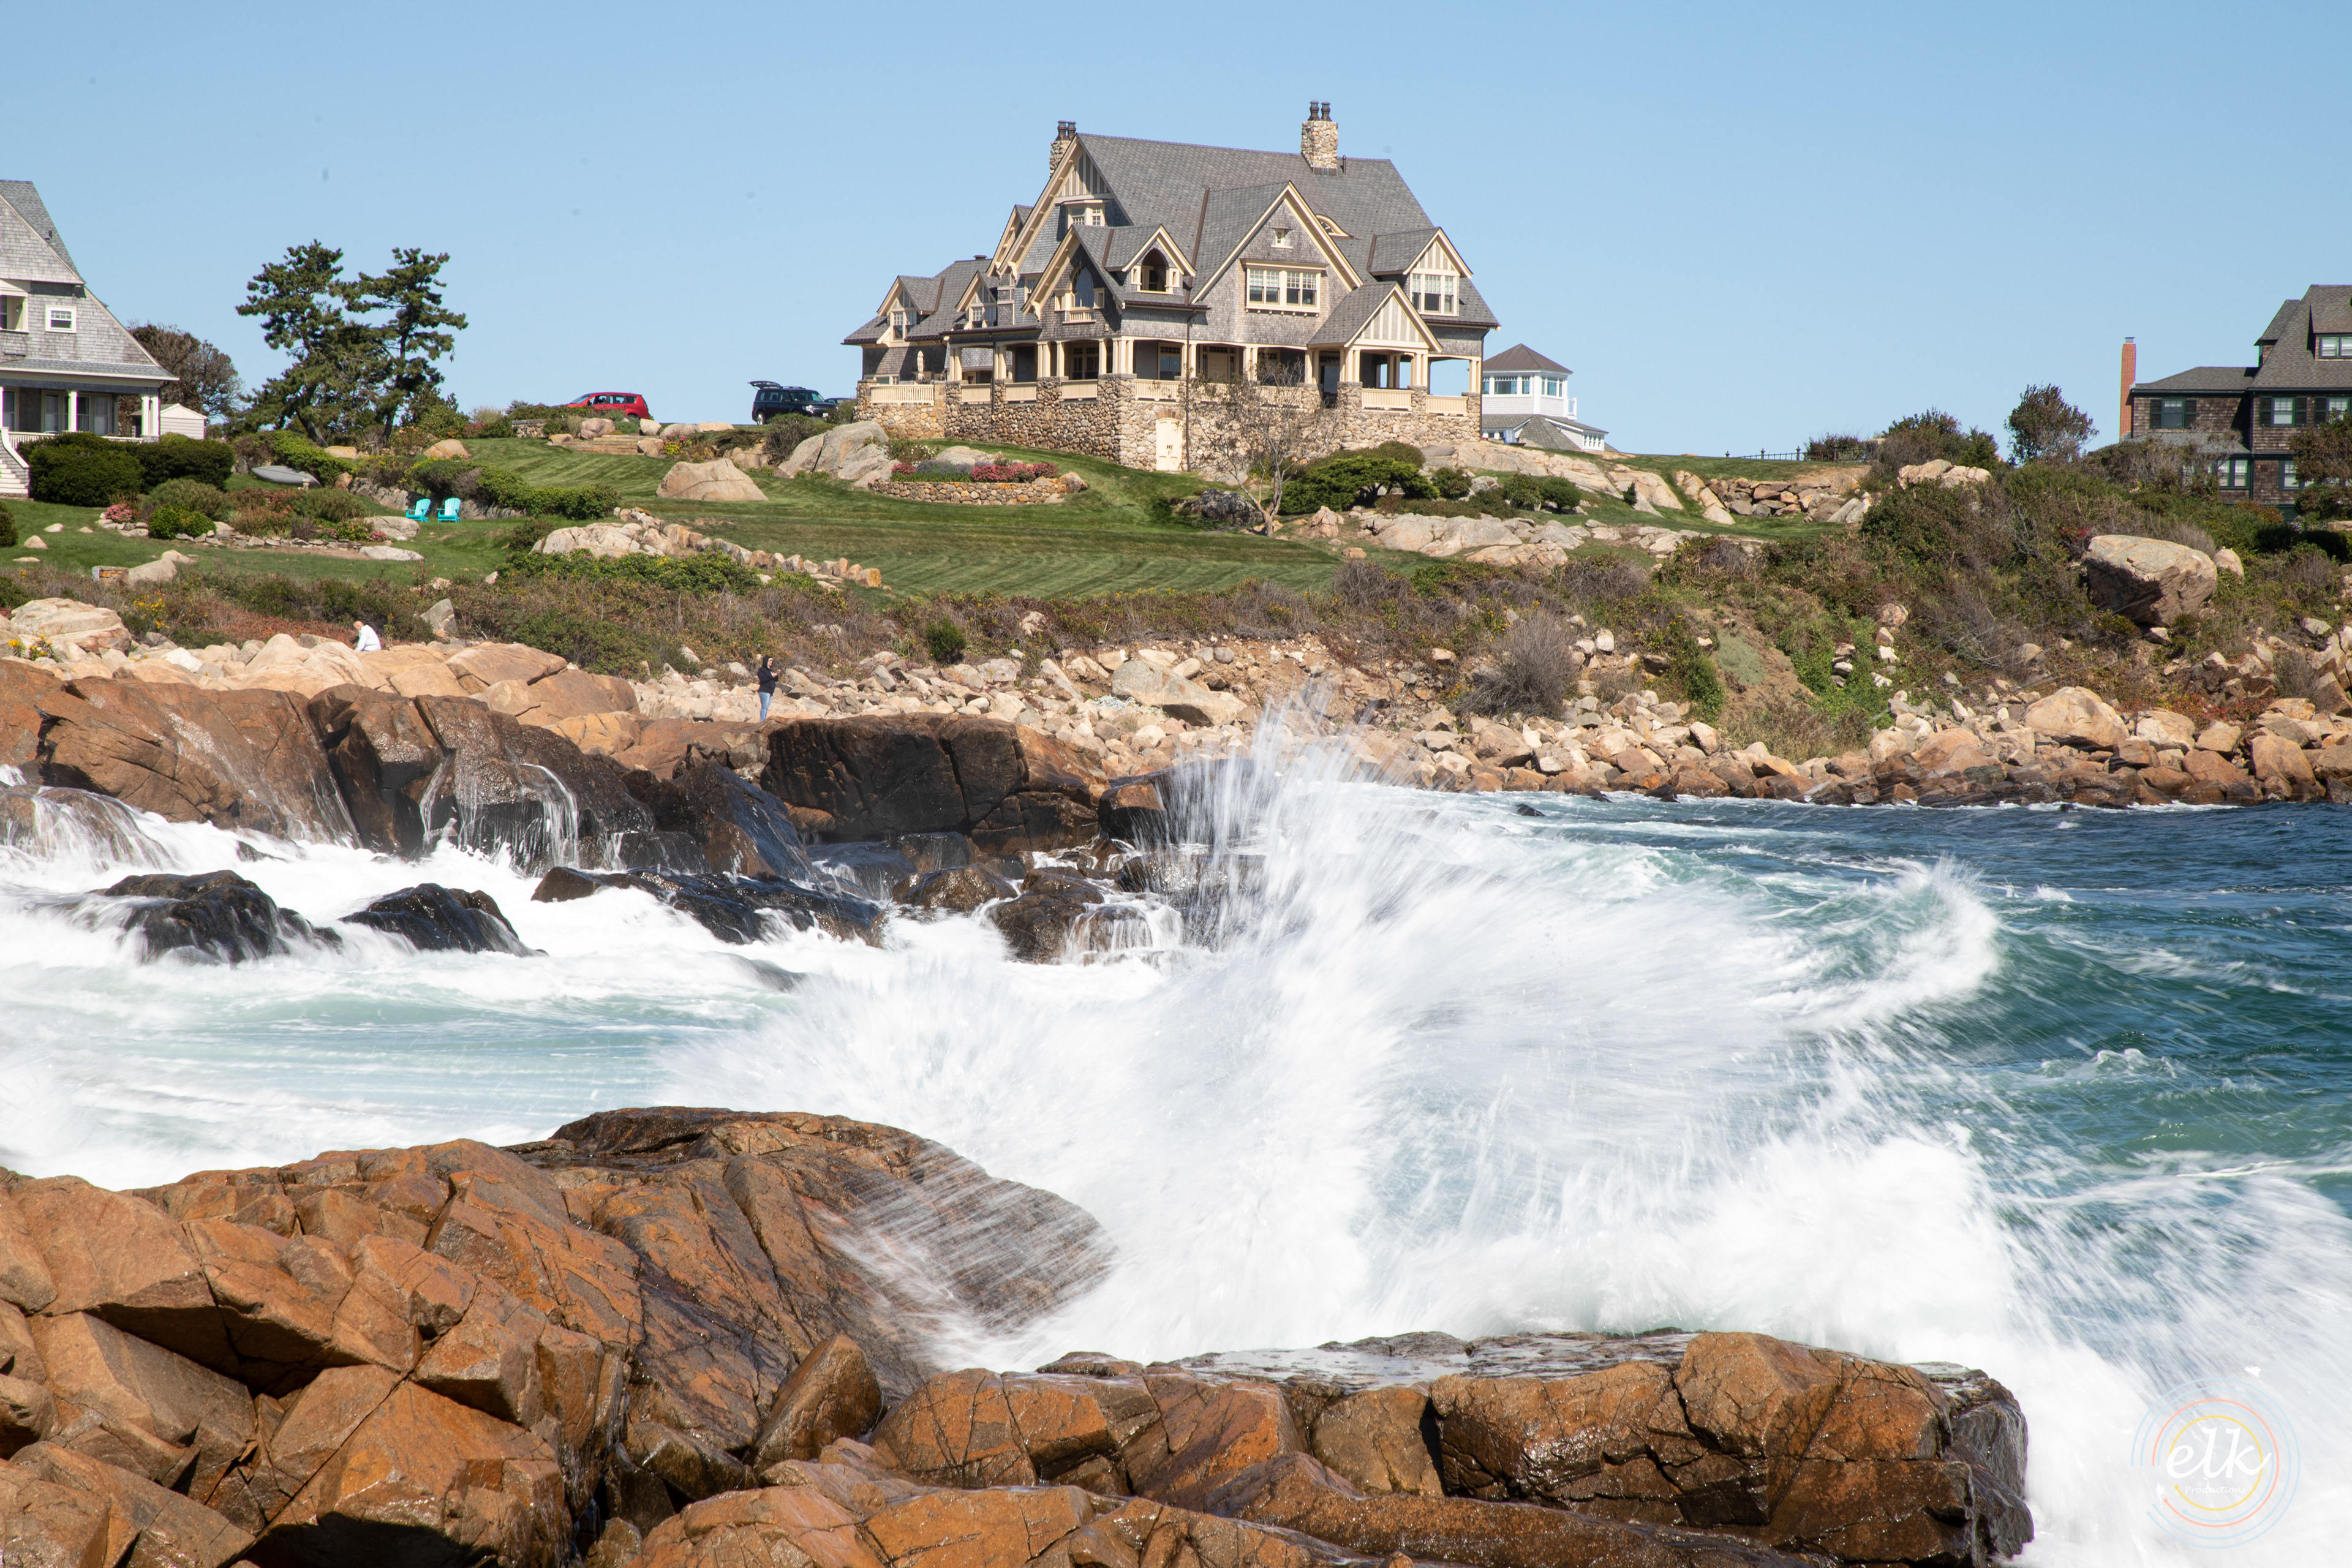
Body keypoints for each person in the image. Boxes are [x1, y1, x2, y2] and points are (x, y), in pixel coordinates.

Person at [756, 655, 778, 721]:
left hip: (770, 691)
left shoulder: (770, 670)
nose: (771, 663)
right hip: (764, 691)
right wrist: (771, 676)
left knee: (767, 707)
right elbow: (763, 679)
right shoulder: (762, 670)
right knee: (764, 707)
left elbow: (775, 680)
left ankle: (764, 720)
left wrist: (776, 675)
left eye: (771, 662)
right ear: (766, 662)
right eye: (769, 661)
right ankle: (762, 721)